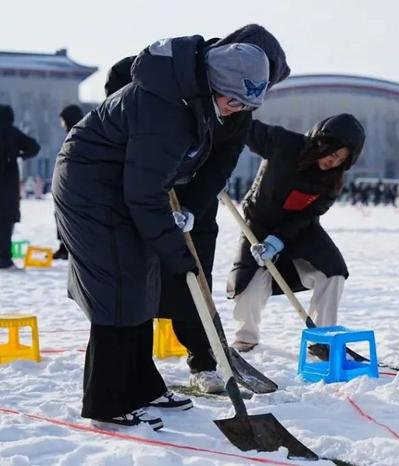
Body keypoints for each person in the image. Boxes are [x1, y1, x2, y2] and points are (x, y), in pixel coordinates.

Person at [52, 34, 270, 429]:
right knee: (117, 286)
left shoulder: (197, 99)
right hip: (92, 188)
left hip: (125, 187)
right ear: (214, 83)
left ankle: (142, 387)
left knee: (140, 281)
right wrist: (176, 251)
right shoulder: (166, 107)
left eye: (245, 105)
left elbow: (173, 177)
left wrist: (186, 211)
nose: (235, 111)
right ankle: (107, 401)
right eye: (233, 100)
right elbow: (143, 192)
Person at [103, 25, 290, 394]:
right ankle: (135, 365)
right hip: (147, 182)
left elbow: (222, 164)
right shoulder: (181, 73)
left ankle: (204, 359)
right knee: (140, 267)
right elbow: (119, 84)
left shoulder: (241, 111)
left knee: (194, 268)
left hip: (194, 193)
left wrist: (191, 206)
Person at [227, 114, 365, 357]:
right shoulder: (282, 143)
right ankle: (245, 338)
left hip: (299, 229)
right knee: (248, 286)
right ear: (319, 142)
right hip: (258, 224)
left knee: (332, 272)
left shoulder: (331, 183)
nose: (333, 161)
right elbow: (241, 127)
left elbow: (308, 215)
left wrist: (278, 239)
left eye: (341, 159)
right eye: (333, 152)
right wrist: (213, 163)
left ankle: (322, 340)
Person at [0, 105, 40, 270]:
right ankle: (4, 258)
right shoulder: (13, 133)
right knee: (6, 221)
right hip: (8, 185)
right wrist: (21, 155)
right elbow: (34, 146)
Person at [53, 105, 84, 260]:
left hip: (77, 185)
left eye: (63, 120)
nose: (62, 124)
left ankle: (68, 248)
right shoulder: (73, 134)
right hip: (68, 183)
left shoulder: (80, 133)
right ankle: (64, 247)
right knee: (61, 214)